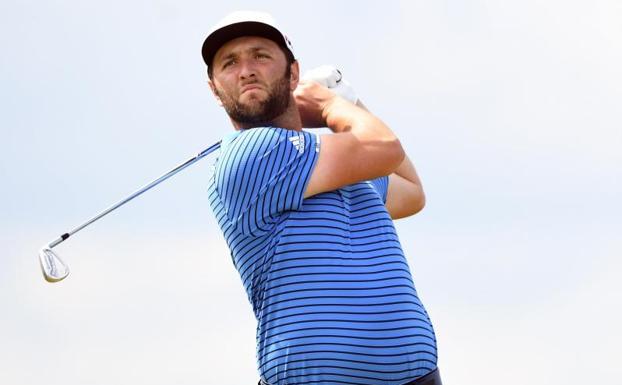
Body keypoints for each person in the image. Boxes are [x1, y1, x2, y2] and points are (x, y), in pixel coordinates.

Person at [202, 10, 442, 385]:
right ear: (215, 89)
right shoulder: (250, 154)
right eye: (229, 63)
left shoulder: (332, 164)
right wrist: (333, 107)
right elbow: (384, 147)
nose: (246, 69)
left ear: (293, 73)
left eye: (260, 56)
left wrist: (350, 104)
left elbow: (411, 191)